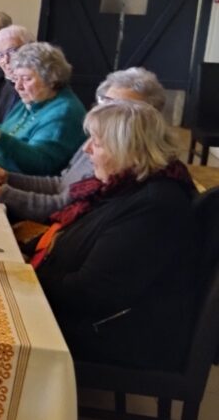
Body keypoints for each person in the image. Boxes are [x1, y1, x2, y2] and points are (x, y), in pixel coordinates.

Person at [34, 100, 196, 371]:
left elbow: (90, 292)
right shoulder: (124, 186)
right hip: (88, 313)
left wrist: (26, 277)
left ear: (129, 151)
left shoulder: (155, 205)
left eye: (96, 143)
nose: (86, 150)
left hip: (114, 336)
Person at [0, 68, 167, 223]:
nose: (106, 111)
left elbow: (63, 204)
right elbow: (61, 183)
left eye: (119, 107)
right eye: (106, 102)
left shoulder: (118, 158)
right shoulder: (97, 140)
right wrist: (7, 178)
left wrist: (3, 193)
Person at [0, 42, 86, 175]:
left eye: (26, 79)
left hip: (17, 183)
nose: (18, 86)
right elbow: (11, 132)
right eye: (16, 78)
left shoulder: (63, 113)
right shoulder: (36, 97)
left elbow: (41, 165)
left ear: (51, 78)